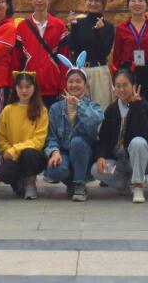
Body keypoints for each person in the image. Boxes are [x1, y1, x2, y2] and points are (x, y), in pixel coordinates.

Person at [45, 59, 104, 201]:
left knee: (78, 141)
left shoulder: (92, 105)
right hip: (64, 152)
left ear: (85, 84)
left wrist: (79, 105)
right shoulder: (56, 108)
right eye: (71, 81)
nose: (74, 85)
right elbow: (51, 137)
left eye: (78, 81)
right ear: (66, 83)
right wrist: (54, 152)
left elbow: (96, 119)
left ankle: (79, 184)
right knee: (53, 171)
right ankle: (73, 182)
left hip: (86, 153)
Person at [92, 68, 148, 203]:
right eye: (118, 86)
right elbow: (104, 138)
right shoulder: (111, 109)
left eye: (125, 85)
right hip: (119, 162)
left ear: (133, 86)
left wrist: (136, 107)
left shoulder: (144, 106)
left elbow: (143, 134)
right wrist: (101, 156)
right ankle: (124, 184)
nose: (121, 89)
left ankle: (138, 186)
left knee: (138, 142)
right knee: (96, 169)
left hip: (138, 160)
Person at [0, 71, 49, 199]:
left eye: (28, 86)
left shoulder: (41, 110)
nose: (24, 90)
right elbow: (0, 138)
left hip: (33, 155)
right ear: (15, 88)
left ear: (34, 88)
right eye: (20, 86)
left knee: (29, 154)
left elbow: (38, 140)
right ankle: (19, 182)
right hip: (13, 156)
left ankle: (31, 182)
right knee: (5, 174)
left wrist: (15, 149)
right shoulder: (8, 110)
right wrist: (8, 151)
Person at [15, 0, 69, 109]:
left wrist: (62, 86)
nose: (39, 0)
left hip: (53, 88)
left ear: (49, 0)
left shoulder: (59, 26)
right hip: (28, 89)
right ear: (31, 0)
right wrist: (17, 85)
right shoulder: (22, 26)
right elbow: (16, 59)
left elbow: (64, 59)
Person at [67, 0, 115, 109]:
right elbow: (72, 47)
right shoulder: (78, 22)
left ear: (103, 3)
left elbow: (104, 52)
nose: (93, 3)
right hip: (80, 71)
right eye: (90, 0)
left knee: (101, 108)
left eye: (97, 0)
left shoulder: (108, 26)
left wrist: (98, 32)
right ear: (86, 2)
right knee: (78, 109)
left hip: (99, 71)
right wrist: (73, 27)